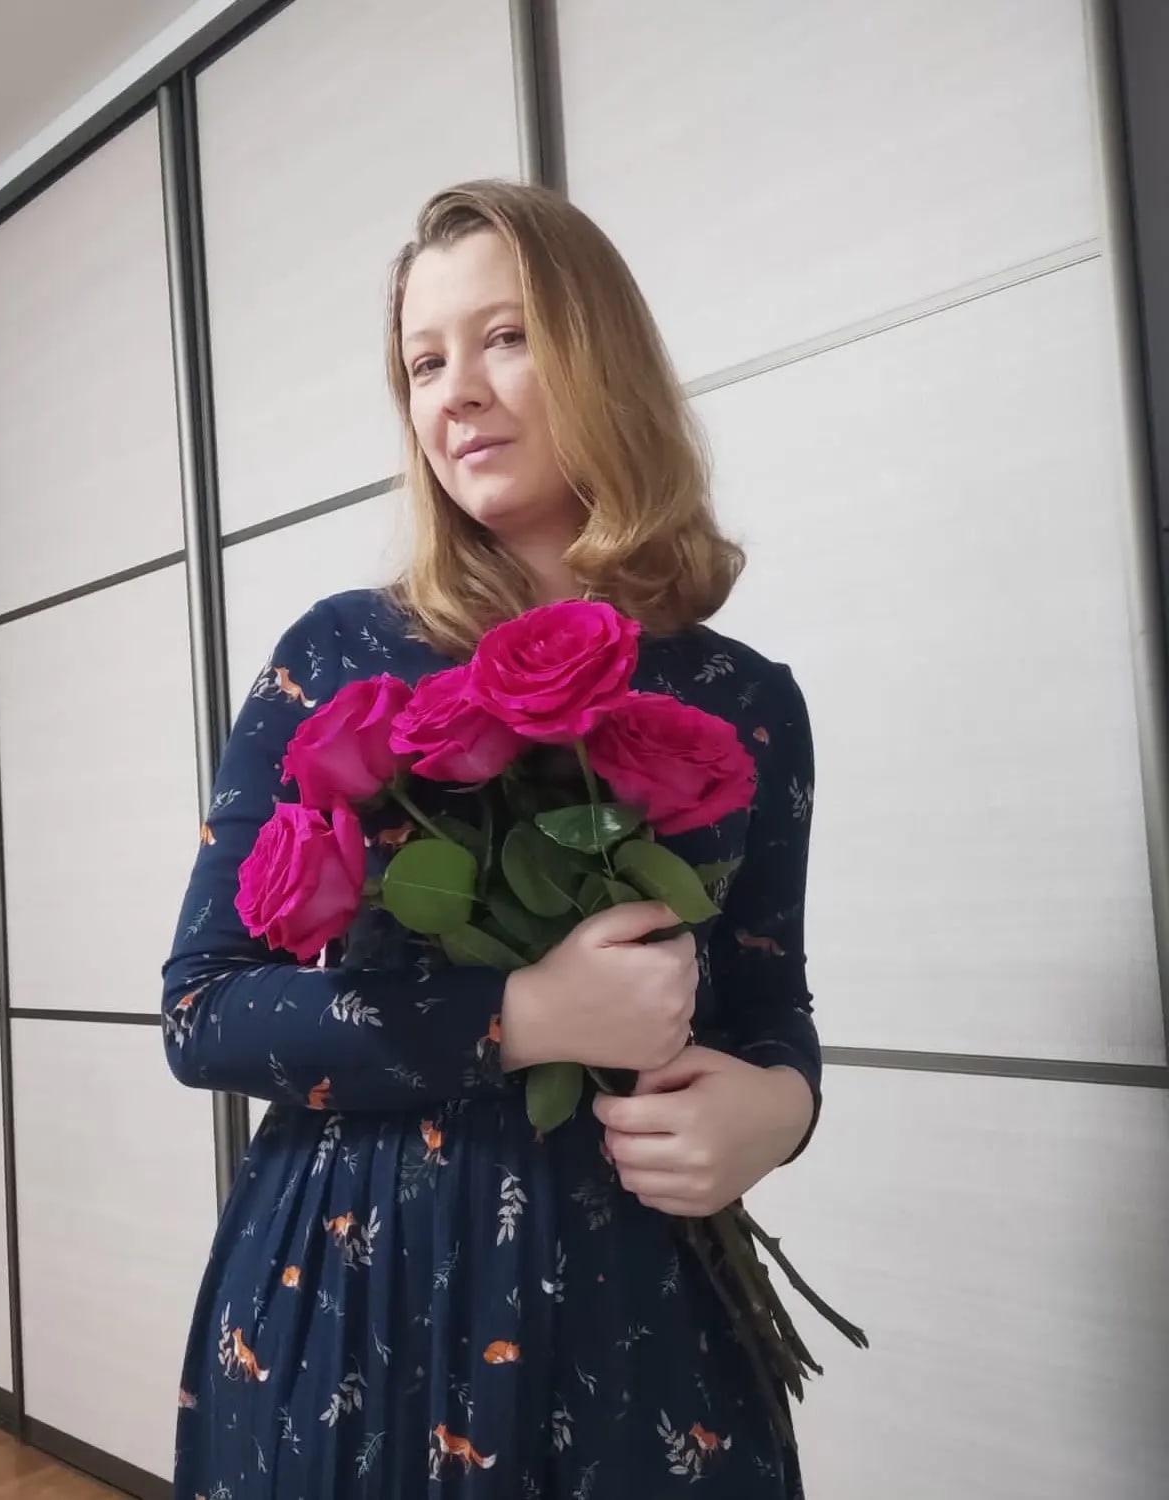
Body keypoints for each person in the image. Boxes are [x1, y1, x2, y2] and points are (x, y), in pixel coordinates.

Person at [163, 179, 821, 1498]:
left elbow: (764, 1003)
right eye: (424, 362)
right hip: (357, 1292)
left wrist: (780, 1109)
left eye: (506, 337)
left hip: (641, 1306)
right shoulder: (339, 654)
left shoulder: (744, 698)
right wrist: (516, 1017)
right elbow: (206, 1011)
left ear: (602, 356)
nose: (456, 392)